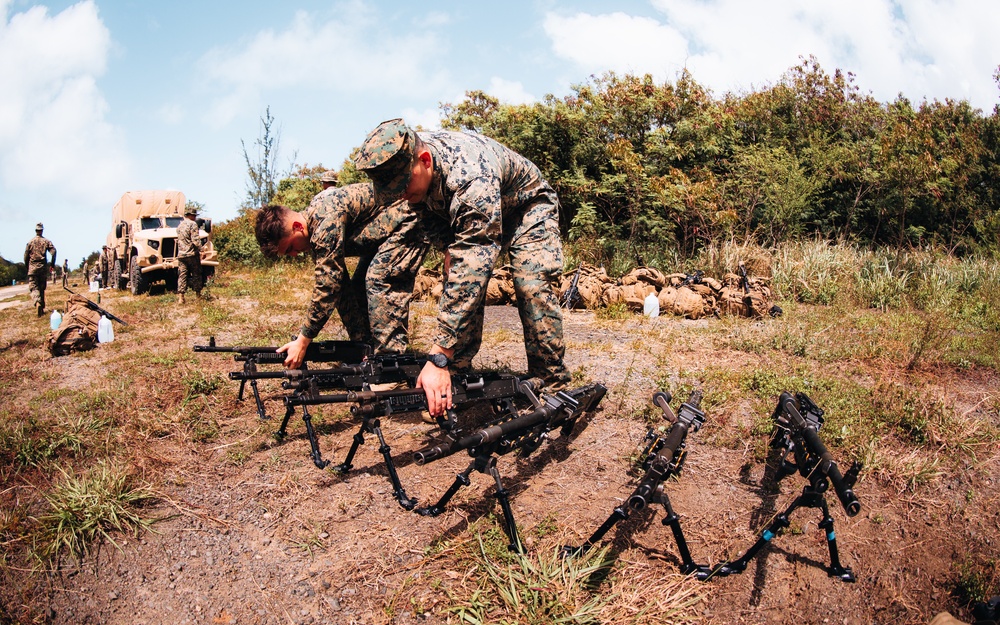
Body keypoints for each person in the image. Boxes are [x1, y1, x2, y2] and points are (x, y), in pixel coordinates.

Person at [354, 118, 570, 417]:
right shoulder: (412, 169)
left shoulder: (469, 177)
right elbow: (426, 215)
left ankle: (551, 380)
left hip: (526, 207)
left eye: (402, 186)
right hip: (482, 211)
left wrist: (438, 355)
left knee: (530, 283)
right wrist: (448, 247)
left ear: (425, 161)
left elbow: (474, 265)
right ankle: (457, 371)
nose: (400, 194)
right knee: (456, 273)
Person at [254, 183, 428, 368]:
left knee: (379, 280)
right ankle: (370, 354)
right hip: (385, 235)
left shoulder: (324, 222)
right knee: (359, 287)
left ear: (297, 227)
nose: (294, 254)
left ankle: (392, 366)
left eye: (290, 247)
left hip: (410, 222)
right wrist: (359, 346)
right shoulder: (314, 233)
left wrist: (303, 340)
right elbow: (341, 291)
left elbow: (327, 288)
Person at [24, 222, 56, 316]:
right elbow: (54, 252)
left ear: (36, 231)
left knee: (34, 288)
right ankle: (41, 307)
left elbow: (26, 256)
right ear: (42, 230)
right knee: (41, 288)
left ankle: (37, 302)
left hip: (32, 268)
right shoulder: (46, 241)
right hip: (42, 268)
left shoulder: (30, 242)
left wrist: (28, 267)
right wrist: (52, 264)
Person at [176, 206, 204, 304]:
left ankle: (181, 297)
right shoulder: (193, 224)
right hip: (192, 254)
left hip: (181, 255)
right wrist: (202, 249)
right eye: (194, 215)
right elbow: (195, 240)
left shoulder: (179, 226)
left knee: (182, 275)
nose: (195, 217)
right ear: (191, 215)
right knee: (196, 274)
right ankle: (198, 295)